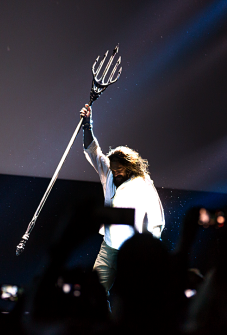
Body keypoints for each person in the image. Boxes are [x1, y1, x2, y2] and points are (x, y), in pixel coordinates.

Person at [80, 104, 165, 295]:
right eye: (113, 167)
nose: (116, 171)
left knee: (134, 296)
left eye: (120, 168)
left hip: (133, 251)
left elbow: (156, 220)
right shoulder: (109, 172)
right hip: (109, 246)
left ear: (130, 166)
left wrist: (148, 251)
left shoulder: (142, 184)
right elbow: (92, 151)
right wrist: (87, 124)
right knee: (93, 292)